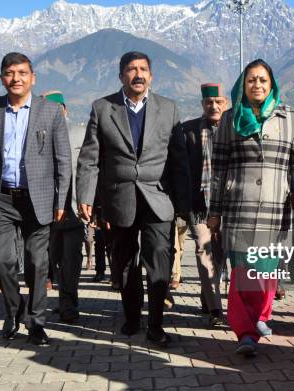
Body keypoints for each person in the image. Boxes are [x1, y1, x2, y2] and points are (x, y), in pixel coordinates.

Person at [75, 51, 190, 348]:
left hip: (158, 198)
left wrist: (183, 205)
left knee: (159, 262)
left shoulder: (169, 108)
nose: (137, 74)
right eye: (131, 69)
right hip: (120, 199)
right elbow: (90, 158)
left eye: (143, 69)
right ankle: (131, 318)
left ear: (151, 75)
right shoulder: (103, 108)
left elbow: (179, 161)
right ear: (121, 75)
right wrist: (85, 196)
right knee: (124, 263)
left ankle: (155, 324)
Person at [208, 59, 294, 356]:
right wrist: (213, 211)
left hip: (276, 207)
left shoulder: (290, 117)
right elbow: (218, 170)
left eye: (263, 80)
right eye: (251, 80)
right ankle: (246, 332)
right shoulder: (230, 120)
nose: (257, 85)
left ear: (272, 85)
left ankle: (262, 317)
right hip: (238, 208)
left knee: (266, 272)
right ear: (243, 84)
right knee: (243, 272)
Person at [0, 53, 72, 345]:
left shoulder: (50, 112)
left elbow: (63, 161)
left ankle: (36, 323)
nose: (16, 78)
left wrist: (62, 200)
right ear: (2, 78)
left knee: (38, 263)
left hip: (38, 199)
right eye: (10, 73)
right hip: (1, 199)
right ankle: (15, 310)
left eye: (22, 73)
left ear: (33, 77)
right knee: (1, 259)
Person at [182, 83, 229, 327]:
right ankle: (215, 311)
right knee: (205, 251)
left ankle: (207, 295)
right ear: (203, 105)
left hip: (228, 206)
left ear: (226, 104)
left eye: (218, 102)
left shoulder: (236, 130)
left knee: (220, 256)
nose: (214, 106)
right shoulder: (188, 131)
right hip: (200, 206)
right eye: (209, 102)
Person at [42, 90, 83, 324]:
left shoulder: (80, 133)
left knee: (71, 259)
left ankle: (69, 304)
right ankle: (59, 301)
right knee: (49, 258)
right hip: (44, 210)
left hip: (73, 209)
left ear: (65, 109)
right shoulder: (36, 134)